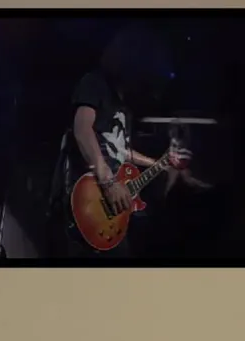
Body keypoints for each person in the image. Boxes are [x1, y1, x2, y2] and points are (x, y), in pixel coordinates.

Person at [56, 25, 192, 258]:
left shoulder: (125, 107)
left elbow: (120, 150)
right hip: (90, 196)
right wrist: (108, 183)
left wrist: (159, 163)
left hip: (113, 207)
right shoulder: (95, 83)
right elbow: (82, 130)